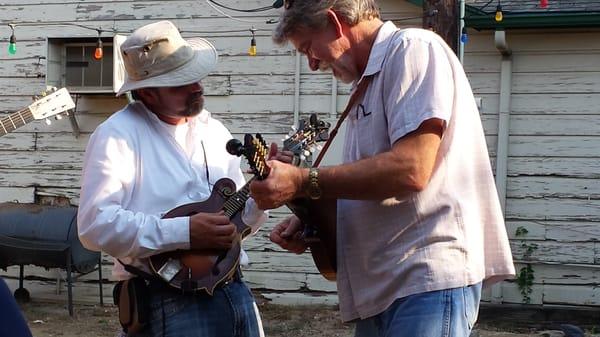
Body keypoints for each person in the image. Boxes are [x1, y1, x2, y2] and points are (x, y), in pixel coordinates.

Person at [249, 1, 515, 336]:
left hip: (423, 280)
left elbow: (411, 169)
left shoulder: (413, 49)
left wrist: (304, 180)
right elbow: (380, 188)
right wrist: (313, 218)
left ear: (334, 21)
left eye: (307, 48)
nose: (313, 64)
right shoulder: (369, 83)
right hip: (388, 288)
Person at [77, 20, 266, 337]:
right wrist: (185, 232)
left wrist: (262, 198)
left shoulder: (215, 131)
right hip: (165, 300)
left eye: (195, 75)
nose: (196, 87)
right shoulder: (117, 136)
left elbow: (240, 223)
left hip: (234, 288)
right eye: (181, 82)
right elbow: (96, 226)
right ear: (148, 92)